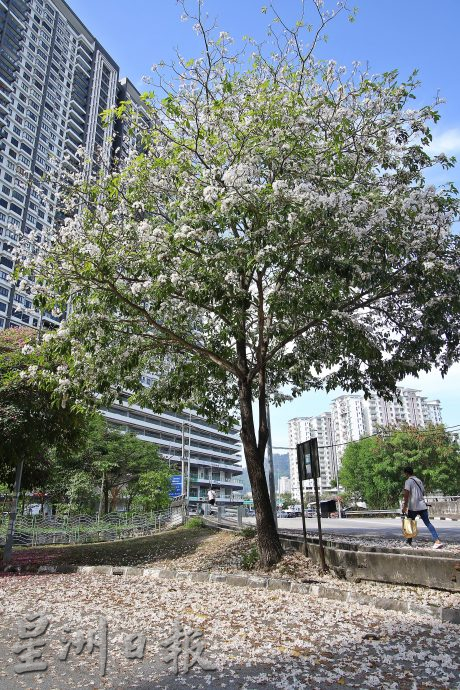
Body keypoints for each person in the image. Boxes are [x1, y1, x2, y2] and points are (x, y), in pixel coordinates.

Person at [401, 466, 443, 549]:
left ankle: (408, 542)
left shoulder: (408, 481)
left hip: (413, 507)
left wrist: (405, 506)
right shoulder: (419, 481)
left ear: (406, 473)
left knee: (410, 523)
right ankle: (437, 541)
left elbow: (406, 494)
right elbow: (422, 492)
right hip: (422, 506)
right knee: (428, 523)